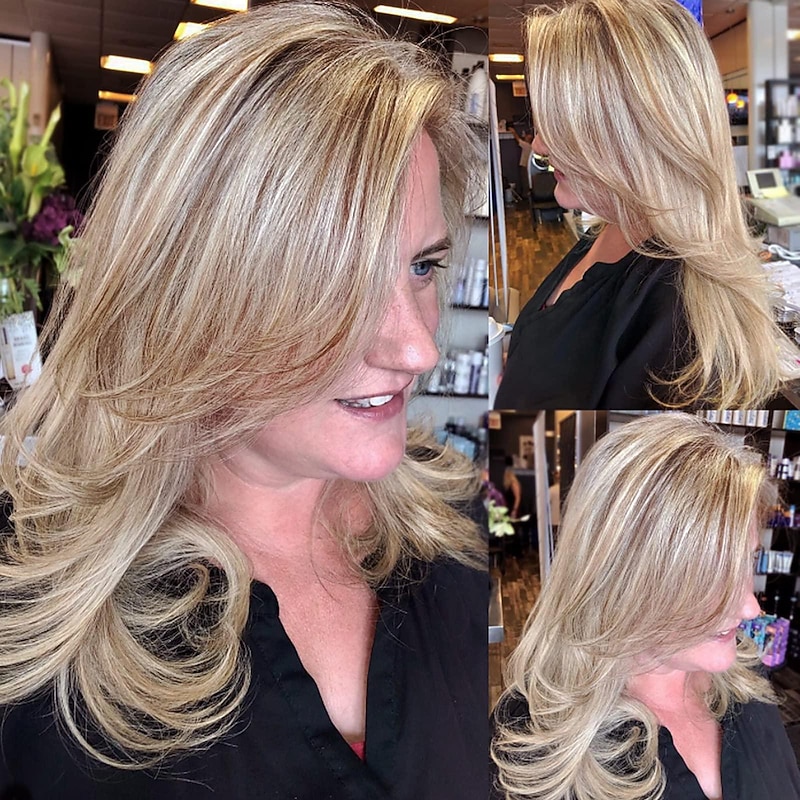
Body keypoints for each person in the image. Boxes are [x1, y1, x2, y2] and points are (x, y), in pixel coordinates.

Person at [0, 3, 488, 798]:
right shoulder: (30, 613)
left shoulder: (460, 531)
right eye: (333, 284)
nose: (417, 350)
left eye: (422, 267)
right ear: (187, 292)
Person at [494, 0, 800, 410]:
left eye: (564, 125)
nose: (541, 145)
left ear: (642, 132)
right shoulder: (611, 231)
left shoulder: (678, 326)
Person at [491, 413, 800, 800]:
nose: (750, 607)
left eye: (747, 561)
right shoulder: (529, 742)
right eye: (710, 575)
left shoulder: (745, 675)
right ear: (623, 578)